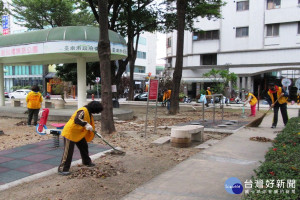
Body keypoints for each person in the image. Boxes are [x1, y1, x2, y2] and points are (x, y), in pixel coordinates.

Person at [58, 101, 103, 175]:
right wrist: (86, 124)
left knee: (84, 147)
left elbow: (89, 124)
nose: (96, 113)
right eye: (96, 111)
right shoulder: (83, 110)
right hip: (70, 133)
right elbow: (77, 119)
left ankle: (86, 162)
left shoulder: (89, 112)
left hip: (78, 134)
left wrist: (94, 131)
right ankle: (63, 169)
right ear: (94, 109)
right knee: (68, 152)